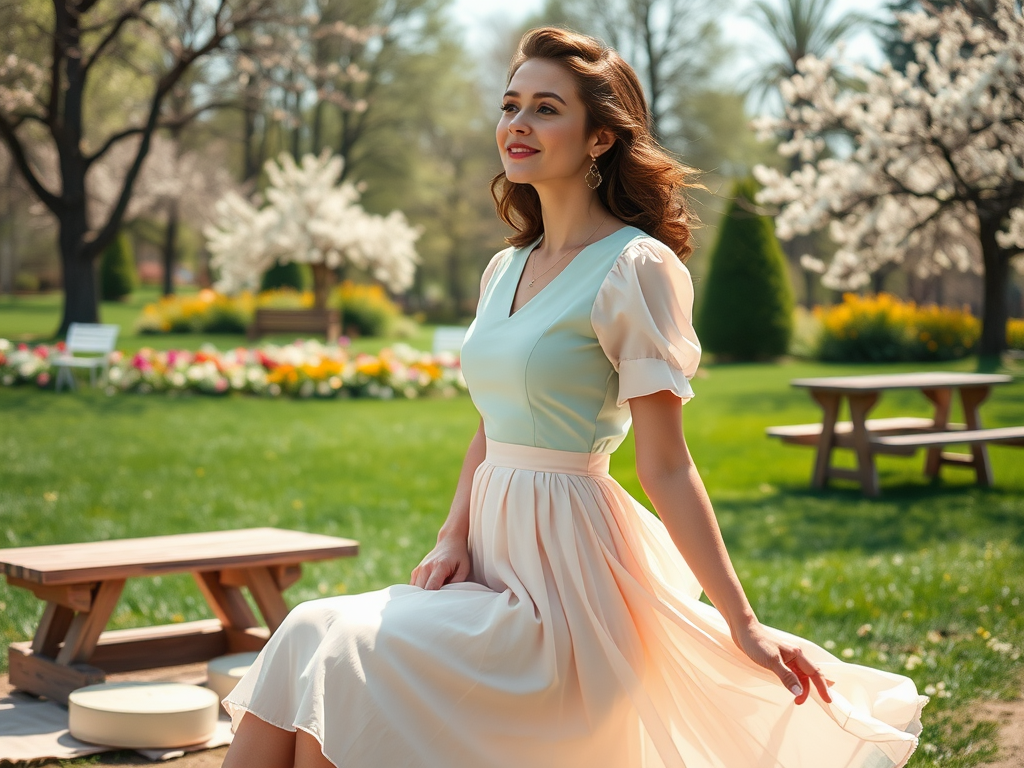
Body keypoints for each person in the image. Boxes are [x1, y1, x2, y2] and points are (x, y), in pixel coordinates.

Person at [221, 27, 928, 768]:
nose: (518, 124)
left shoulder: (636, 268)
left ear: (598, 140)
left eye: (546, 108)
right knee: (310, 632)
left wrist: (745, 624)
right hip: (493, 563)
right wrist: (453, 534)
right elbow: (492, 426)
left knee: (344, 657)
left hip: (567, 588)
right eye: (510, 104)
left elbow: (667, 467)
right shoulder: (505, 268)